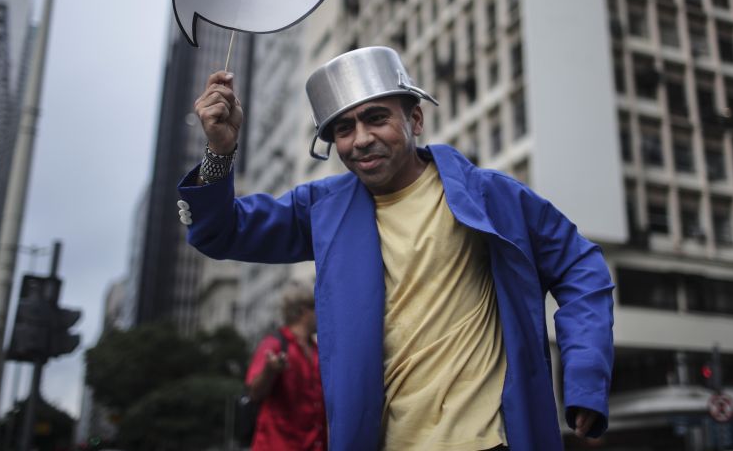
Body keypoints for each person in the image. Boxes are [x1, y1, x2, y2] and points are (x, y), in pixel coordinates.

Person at [178, 46, 615, 451]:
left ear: (416, 121)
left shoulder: (492, 197)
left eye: (376, 118)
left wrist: (585, 375)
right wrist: (220, 151)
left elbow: (581, 268)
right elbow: (221, 231)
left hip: (491, 441)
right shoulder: (321, 210)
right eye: (344, 129)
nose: (361, 139)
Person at [244, 284, 326, 451]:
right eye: (317, 307)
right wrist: (270, 370)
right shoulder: (274, 344)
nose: (322, 313)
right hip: (278, 444)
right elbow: (254, 393)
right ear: (303, 311)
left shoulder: (317, 350)